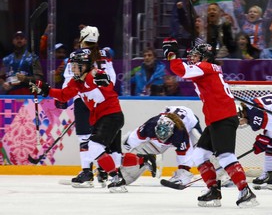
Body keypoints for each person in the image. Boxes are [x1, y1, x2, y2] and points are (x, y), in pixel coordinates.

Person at [163, 39, 258, 208]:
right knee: (199, 155)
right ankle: (213, 192)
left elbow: (180, 70)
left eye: (196, 55)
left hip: (222, 117)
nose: (193, 58)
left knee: (226, 155)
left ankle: (246, 192)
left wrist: (172, 56)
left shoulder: (205, 68)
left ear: (206, 57)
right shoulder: (208, 68)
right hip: (216, 118)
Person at [29, 49, 127, 193]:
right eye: (72, 65)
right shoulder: (77, 83)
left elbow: (102, 78)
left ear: (85, 66)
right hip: (103, 118)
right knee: (105, 150)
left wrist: (103, 77)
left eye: (76, 65)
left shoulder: (91, 75)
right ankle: (137, 163)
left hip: (111, 116)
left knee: (94, 147)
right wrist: (45, 89)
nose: (73, 68)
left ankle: (116, 179)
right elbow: (63, 95)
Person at [58, 25, 124, 189]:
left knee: (86, 138)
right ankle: (104, 172)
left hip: (84, 100)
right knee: (104, 141)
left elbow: (69, 79)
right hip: (102, 100)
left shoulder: (76, 56)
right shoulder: (105, 55)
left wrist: (73, 95)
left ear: (81, 38)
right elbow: (111, 79)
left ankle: (87, 172)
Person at [122, 105, 202, 186]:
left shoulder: (180, 132)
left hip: (191, 124)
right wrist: (131, 156)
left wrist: (184, 169)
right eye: (159, 132)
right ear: (156, 127)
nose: (161, 137)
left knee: (201, 148)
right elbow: (132, 139)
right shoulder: (150, 125)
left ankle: (207, 170)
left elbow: (185, 152)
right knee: (133, 146)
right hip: (169, 121)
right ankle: (146, 159)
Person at [237, 92, 272, 190]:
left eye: (239, 120)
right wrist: (265, 140)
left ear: (242, 113)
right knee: (270, 144)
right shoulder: (250, 109)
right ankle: (268, 173)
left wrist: (263, 141)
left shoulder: (254, 114)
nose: (240, 123)